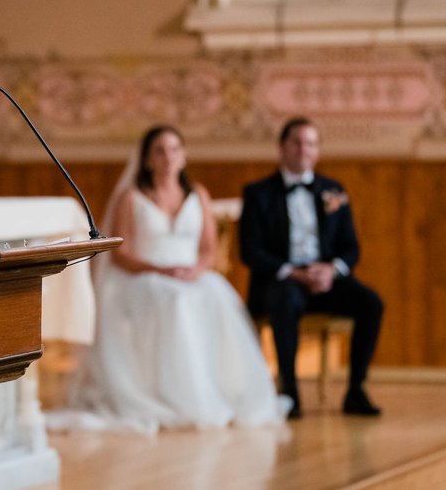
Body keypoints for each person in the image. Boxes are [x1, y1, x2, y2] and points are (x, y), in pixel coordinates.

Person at [57, 125, 285, 434]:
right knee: (176, 300)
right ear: (148, 159)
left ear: (184, 156)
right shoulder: (133, 197)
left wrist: (196, 270)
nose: (168, 157)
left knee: (215, 294)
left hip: (190, 274)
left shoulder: (198, 195)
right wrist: (160, 270)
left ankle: (217, 389)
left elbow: (209, 248)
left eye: (175, 149)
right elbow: (120, 254)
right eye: (160, 150)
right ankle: (174, 396)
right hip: (143, 275)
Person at [239, 117, 384, 419]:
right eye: (297, 142)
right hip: (282, 279)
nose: (304, 149)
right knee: (286, 300)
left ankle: (356, 389)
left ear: (317, 151)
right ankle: (289, 392)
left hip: (326, 278)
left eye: (311, 143)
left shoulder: (333, 190)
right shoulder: (258, 193)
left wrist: (332, 270)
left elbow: (351, 247)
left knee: (371, 303)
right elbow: (250, 251)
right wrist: (294, 273)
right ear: (282, 147)